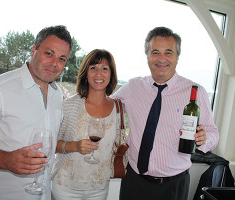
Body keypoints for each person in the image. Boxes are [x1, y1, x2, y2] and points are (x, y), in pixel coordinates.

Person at [0, 25, 73, 200]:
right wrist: (6, 160)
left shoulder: (57, 94)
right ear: (33, 50)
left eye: (62, 59)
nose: (54, 64)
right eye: (49, 54)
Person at [112, 27, 220, 200]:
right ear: (147, 56)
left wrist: (204, 139)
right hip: (134, 180)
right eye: (155, 52)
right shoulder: (132, 87)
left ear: (177, 57)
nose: (161, 59)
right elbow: (105, 108)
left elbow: (213, 133)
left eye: (168, 53)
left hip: (174, 186)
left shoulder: (196, 92)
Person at [51, 49, 118, 200]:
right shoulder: (69, 106)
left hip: (99, 187)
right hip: (66, 186)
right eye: (93, 68)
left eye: (104, 68)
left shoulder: (118, 108)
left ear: (111, 74)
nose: (98, 73)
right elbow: (51, 143)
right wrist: (75, 146)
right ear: (85, 73)